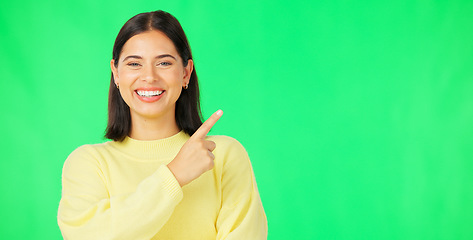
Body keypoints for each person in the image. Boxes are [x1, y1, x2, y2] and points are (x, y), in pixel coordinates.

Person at [57, 10, 267, 239]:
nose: (149, 76)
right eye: (134, 64)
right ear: (116, 73)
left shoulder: (223, 155)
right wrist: (174, 175)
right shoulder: (88, 164)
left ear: (186, 73)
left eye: (164, 63)